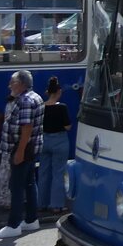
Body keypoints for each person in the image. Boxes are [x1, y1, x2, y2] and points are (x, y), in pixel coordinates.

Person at [0, 70, 45, 239]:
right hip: (31, 149)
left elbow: (26, 128)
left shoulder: (25, 101)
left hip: (22, 149)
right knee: (29, 183)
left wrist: (19, 152)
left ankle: (13, 225)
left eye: (12, 82)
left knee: (16, 186)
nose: (9, 86)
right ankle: (31, 220)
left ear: (21, 84)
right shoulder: (35, 97)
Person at [37, 76, 71, 214]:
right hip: (59, 141)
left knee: (43, 172)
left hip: (44, 140)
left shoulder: (41, 107)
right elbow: (67, 127)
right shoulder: (61, 107)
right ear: (58, 92)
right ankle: (56, 205)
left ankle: (41, 203)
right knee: (58, 173)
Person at [0, 93, 15, 209]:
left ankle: (3, 199)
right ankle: (11, 200)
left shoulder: (7, 105)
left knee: (4, 174)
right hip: (13, 144)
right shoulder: (18, 106)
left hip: (5, 144)